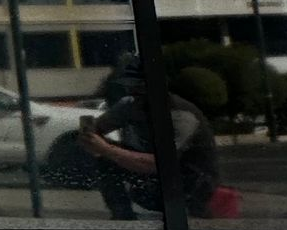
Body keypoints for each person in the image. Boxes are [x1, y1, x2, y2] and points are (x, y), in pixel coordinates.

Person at [79, 55, 220, 220]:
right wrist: (89, 135)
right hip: (154, 179)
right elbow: (95, 129)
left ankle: (195, 213)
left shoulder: (181, 116)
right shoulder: (131, 105)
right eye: (129, 86)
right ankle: (122, 215)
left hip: (191, 184)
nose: (133, 91)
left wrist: (106, 149)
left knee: (108, 154)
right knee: (106, 160)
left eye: (139, 87)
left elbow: (159, 164)